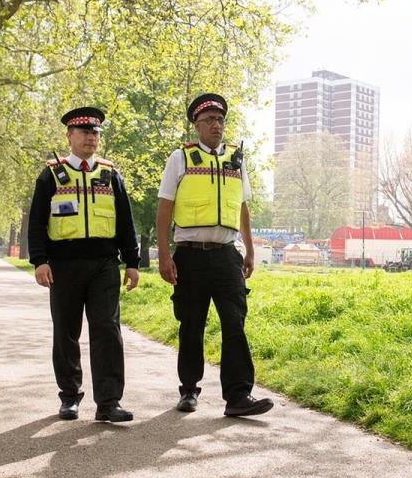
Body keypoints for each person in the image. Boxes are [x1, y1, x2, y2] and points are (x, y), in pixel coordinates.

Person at [155, 93, 273, 418]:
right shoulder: (180, 158)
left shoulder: (236, 160)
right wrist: (164, 255)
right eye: (209, 120)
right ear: (196, 125)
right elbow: (164, 208)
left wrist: (249, 249)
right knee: (191, 324)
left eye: (220, 120)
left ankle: (238, 396)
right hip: (190, 256)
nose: (216, 125)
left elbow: (243, 207)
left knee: (235, 323)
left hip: (226, 256)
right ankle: (189, 389)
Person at [28, 106, 140, 422]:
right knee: (66, 331)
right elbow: (36, 222)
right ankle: (69, 397)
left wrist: (132, 262)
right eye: (85, 132)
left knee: (107, 330)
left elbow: (126, 223)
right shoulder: (51, 174)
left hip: (104, 265)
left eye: (95, 133)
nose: (91, 137)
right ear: (70, 136)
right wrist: (39, 261)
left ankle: (108, 402)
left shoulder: (110, 174)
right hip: (63, 266)